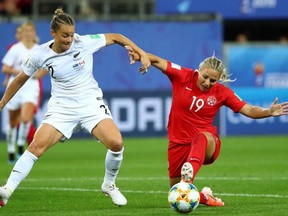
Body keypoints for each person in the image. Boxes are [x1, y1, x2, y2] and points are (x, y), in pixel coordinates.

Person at [0, 8, 150, 208]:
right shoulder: (40, 54)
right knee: (36, 147)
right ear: (53, 33)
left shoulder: (83, 42)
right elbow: (19, 80)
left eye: (71, 34)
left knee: (116, 143)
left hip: (90, 104)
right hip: (62, 108)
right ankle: (6, 191)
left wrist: (140, 53)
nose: (70, 39)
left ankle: (109, 184)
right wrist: (2, 103)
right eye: (65, 35)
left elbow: (116, 37)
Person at [126, 47, 288, 207]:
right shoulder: (182, 75)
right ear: (199, 70)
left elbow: (249, 110)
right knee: (177, 194)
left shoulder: (222, 92)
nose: (207, 83)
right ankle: (205, 197)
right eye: (205, 77)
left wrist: (268, 111)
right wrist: (142, 56)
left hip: (208, 144)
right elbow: (157, 60)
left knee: (201, 137)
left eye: (213, 81)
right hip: (178, 143)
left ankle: (188, 174)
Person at [1, 21, 45, 164]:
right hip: (16, 84)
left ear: (34, 33)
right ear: (22, 33)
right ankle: (11, 150)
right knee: (13, 122)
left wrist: (40, 74)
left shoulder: (40, 49)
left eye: (30, 30)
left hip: (31, 86)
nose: (27, 33)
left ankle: (20, 147)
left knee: (26, 119)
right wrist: (21, 72)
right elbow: (5, 68)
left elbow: (47, 65)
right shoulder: (15, 49)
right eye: (25, 31)